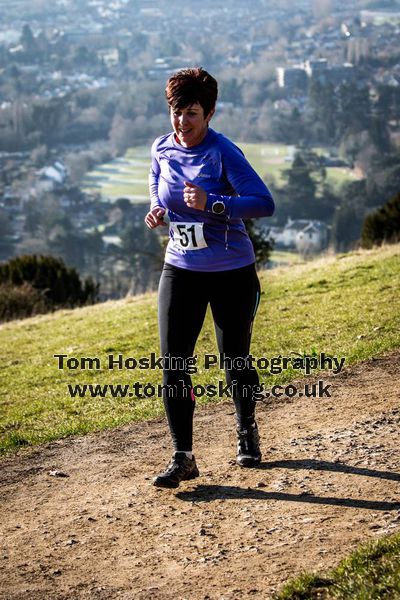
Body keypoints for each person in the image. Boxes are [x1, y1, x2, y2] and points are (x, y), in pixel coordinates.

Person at [145, 67, 275, 488]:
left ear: (210, 113)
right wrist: (158, 209)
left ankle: (246, 427)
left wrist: (214, 203)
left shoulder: (223, 152)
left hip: (230, 272)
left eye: (192, 114)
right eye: (176, 112)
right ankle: (183, 455)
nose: (181, 123)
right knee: (173, 363)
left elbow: (263, 203)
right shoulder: (162, 148)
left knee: (234, 360)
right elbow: (155, 182)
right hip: (180, 268)